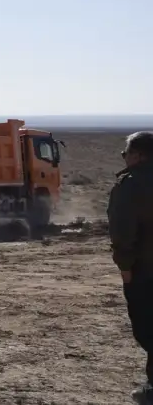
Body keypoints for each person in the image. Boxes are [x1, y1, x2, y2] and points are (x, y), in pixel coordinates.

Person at [108, 131, 153, 403]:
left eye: (126, 154)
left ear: (138, 155)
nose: (125, 159)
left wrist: (125, 268)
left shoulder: (132, 185)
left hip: (146, 271)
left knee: (148, 326)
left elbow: (123, 233)